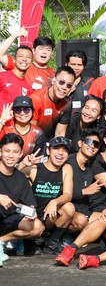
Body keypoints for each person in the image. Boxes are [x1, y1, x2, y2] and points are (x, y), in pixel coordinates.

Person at [22, 136, 75, 254]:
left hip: (49, 214)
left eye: (65, 150)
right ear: (48, 151)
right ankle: (28, 242)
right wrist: (23, 164)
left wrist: (54, 202)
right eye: (56, 148)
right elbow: (11, 178)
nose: (60, 153)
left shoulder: (67, 168)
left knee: (69, 208)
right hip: (32, 214)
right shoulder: (34, 169)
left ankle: (51, 242)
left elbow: (68, 195)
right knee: (36, 228)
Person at [0, 133, 44, 266]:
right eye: (7, 151)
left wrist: (31, 213)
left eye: (15, 152)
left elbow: (30, 205)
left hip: (7, 220)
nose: (11, 155)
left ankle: (1, 241)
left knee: (37, 226)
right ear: (0, 152)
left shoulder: (21, 177)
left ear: (20, 155)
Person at [66, 128, 104, 231]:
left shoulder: (90, 167)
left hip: (84, 210)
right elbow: (61, 193)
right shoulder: (67, 162)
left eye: (96, 144)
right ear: (80, 143)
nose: (92, 146)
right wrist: (85, 191)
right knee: (81, 221)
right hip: (67, 209)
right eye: (89, 142)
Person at [31, 65, 75, 139]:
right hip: (34, 139)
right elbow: (31, 131)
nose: (64, 87)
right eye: (61, 82)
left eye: (69, 85)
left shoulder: (67, 103)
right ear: (53, 80)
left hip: (50, 140)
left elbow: (60, 133)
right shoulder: (36, 98)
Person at [0, 28, 33, 104]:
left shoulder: (29, 88)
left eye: (28, 57)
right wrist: (15, 35)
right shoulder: (2, 77)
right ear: (14, 60)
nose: (24, 59)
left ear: (31, 62)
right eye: (21, 56)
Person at [65, 49, 96, 117]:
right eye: (73, 64)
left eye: (79, 65)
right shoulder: (58, 82)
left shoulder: (90, 83)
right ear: (66, 64)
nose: (76, 68)